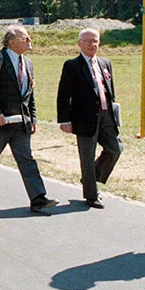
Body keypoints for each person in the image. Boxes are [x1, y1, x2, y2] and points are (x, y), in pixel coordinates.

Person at [0, 25, 58, 212]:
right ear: (12, 42)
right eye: (25, 38)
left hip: (21, 122)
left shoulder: (28, 64)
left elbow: (29, 95)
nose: (30, 41)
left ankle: (38, 198)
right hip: (1, 121)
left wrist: (33, 118)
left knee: (27, 158)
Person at [56, 28, 122, 209]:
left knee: (116, 148)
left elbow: (110, 90)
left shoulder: (105, 63)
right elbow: (63, 95)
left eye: (95, 41)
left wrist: (114, 112)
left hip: (106, 115)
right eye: (88, 41)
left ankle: (89, 177)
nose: (92, 45)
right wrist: (64, 120)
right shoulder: (72, 65)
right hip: (84, 118)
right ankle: (91, 195)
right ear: (79, 43)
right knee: (87, 156)